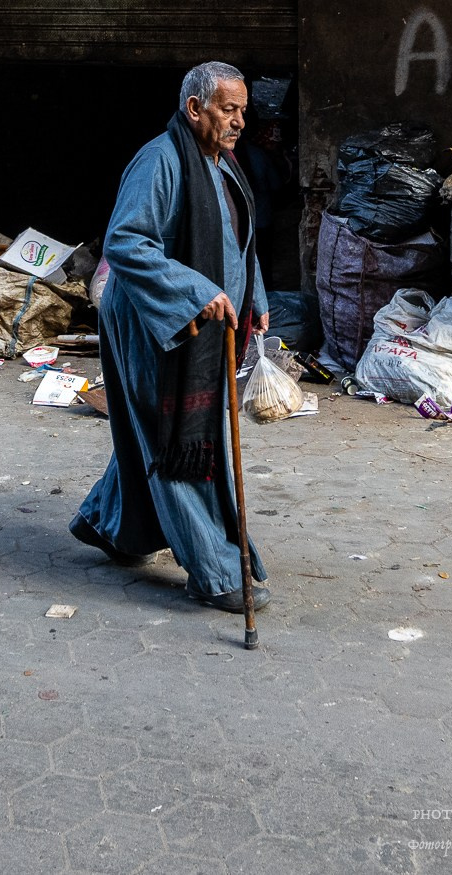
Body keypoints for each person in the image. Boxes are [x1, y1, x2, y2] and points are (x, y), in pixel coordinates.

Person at [70, 62, 272, 611]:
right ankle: (216, 571)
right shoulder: (158, 161)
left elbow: (239, 244)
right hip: (151, 322)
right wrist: (193, 292)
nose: (238, 123)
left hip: (207, 322)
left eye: (243, 112)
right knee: (177, 439)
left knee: (153, 427)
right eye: (227, 110)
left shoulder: (222, 165)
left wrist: (254, 301)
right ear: (193, 108)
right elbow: (127, 242)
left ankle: (111, 525)